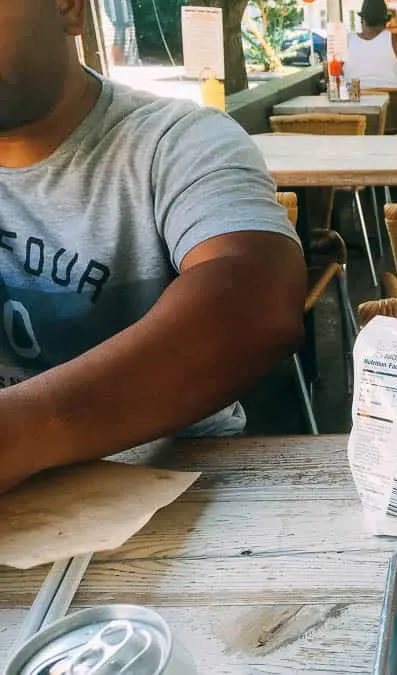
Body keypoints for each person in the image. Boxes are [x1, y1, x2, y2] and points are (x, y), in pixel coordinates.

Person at [0, 0, 307, 493]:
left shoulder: (176, 141)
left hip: (181, 487)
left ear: (69, 10)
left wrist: (16, 435)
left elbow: (255, 301)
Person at [344, 0, 397, 89]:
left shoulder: (345, 41)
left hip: (355, 101)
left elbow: (334, 79)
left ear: (362, 20)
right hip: (391, 101)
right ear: (385, 21)